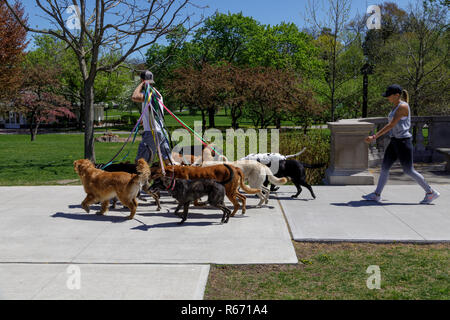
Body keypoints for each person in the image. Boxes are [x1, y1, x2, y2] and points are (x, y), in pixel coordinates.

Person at [362, 84, 440, 204]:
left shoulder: (402, 107)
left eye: (389, 96)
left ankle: (430, 192)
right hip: (394, 141)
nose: (387, 98)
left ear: (397, 95)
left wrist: (374, 136)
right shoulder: (395, 106)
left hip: (403, 142)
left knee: (409, 170)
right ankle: (376, 195)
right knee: (384, 167)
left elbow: (391, 125)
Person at [131, 70, 172, 165]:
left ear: (142, 80)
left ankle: (143, 180)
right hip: (161, 133)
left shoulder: (150, 94)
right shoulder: (157, 93)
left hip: (151, 132)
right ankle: (175, 178)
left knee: (140, 162)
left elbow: (134, 96)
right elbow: (152, 110)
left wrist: (140, 85)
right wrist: (143, 119)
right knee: (167, 161)